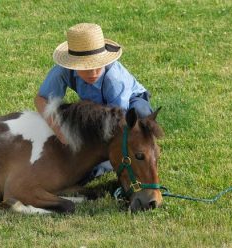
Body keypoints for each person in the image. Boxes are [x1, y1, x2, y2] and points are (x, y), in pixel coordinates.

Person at [35, 23, 153, 184]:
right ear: (73, 64)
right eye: (86, 67)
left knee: (140, 118)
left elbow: (118, 123)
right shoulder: (63, 70)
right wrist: (59, 131)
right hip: (96, 106)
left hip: (127, 107)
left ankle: (103, 166)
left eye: (98, 66)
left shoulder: (114, 79)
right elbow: (41, 100)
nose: (93, 73)